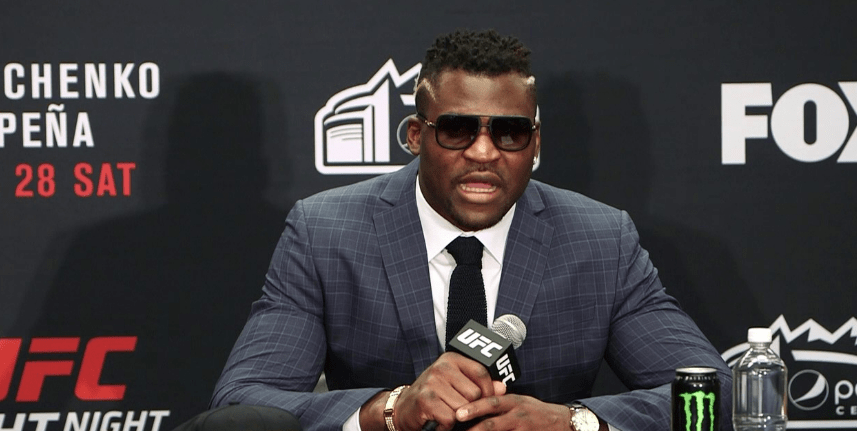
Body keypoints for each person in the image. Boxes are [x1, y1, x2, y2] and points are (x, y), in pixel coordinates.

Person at [211, 29, 732, 431]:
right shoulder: (326, 233)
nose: (483, 152)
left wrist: (571, 422)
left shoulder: (601, 240)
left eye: (509, 132)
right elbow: (243, 403)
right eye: (458, 129)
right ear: (416, 136)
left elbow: (718, 395)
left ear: (534, 145)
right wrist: (389, 410)